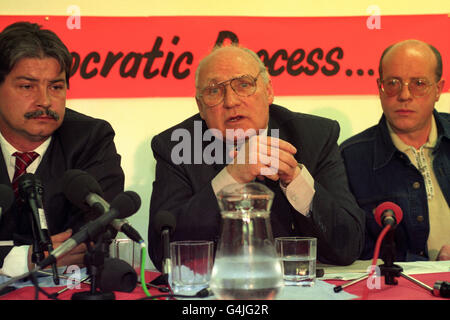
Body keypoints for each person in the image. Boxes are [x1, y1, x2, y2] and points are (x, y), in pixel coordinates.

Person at [148, 44, 365, 271]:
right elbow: (163, 254)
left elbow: (348, 247)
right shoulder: (176, 146)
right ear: (200, 107)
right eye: (214, 91)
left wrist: (296, 181)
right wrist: (231, 177)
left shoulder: (315, 137)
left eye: (243, 85)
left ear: (268, 91)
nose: (230, 101)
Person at [0, 22, 125, 277]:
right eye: (27, 86)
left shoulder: (91, 139)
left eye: (56, 87)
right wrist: (22, 259)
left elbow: (89, 236)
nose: (45, 101)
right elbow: (54, 254)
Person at [340, 39, 449, 262]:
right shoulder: (350, 158)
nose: (404, 95)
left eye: (418, 83)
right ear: (379, 88)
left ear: (438, 89)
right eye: (393, 83)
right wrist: (425, 267)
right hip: (400, 288)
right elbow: (353, 248)